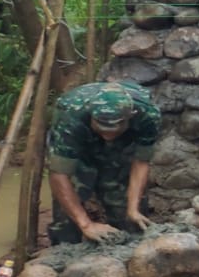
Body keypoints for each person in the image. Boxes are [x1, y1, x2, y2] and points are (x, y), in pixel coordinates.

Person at [45, 81, 160, 244]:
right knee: (67, 216)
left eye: (113, 129)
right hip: (80, 145)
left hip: (123, 144)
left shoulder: (147, 115)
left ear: (131, 116)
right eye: (102, 128)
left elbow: (141, 161)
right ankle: (64, 249)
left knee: (129, 216)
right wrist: (86, 225)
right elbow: (59, 175)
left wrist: (133, 208)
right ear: (92, 115)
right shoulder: (70, 117)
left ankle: (126, 244)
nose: (107, 136)